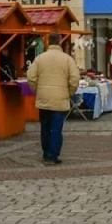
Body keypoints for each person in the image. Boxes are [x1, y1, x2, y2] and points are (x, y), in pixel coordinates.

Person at [29, 33, 80, 165]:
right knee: (56, 129)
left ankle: (46, 153)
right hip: (60, 98)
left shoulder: (40, 58)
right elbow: (74, 79)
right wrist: (69, 92)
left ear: (48, 42)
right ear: (60, 42)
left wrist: (38, 90)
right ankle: (53, 155)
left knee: (45, 128)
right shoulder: (67, 59)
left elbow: (31, 77)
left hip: (44, 99)